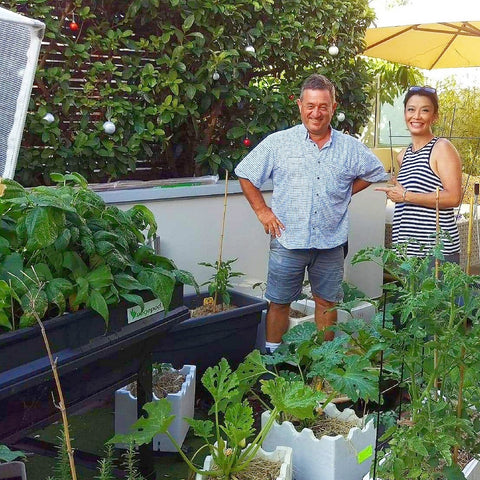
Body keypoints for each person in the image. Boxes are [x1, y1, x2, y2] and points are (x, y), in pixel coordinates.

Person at [234, 74, 387, 350]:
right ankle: (274, 360)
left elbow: (376, 172)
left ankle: (323, 363)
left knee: (326, 304)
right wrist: (262, 211)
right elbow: (245, 173)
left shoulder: (350, 148)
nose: (316, 113)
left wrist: (345, 191)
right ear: (300, 105)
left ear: (333, 107)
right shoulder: (278, 143)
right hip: (287, 240)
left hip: (330, 242)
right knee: (279, 302)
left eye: (323, 106)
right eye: (311, 105)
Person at [376, 86, 462, 262]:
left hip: (436, 254)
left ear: (434, 116)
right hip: (407, 253)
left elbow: (453, 198)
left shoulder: (442, 148)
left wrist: (406, 195)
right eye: (411, 109)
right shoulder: (404, 155)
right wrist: (396, 191)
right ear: (405, 113)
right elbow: (409, 196)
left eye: (425, 110)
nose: (416, 116)